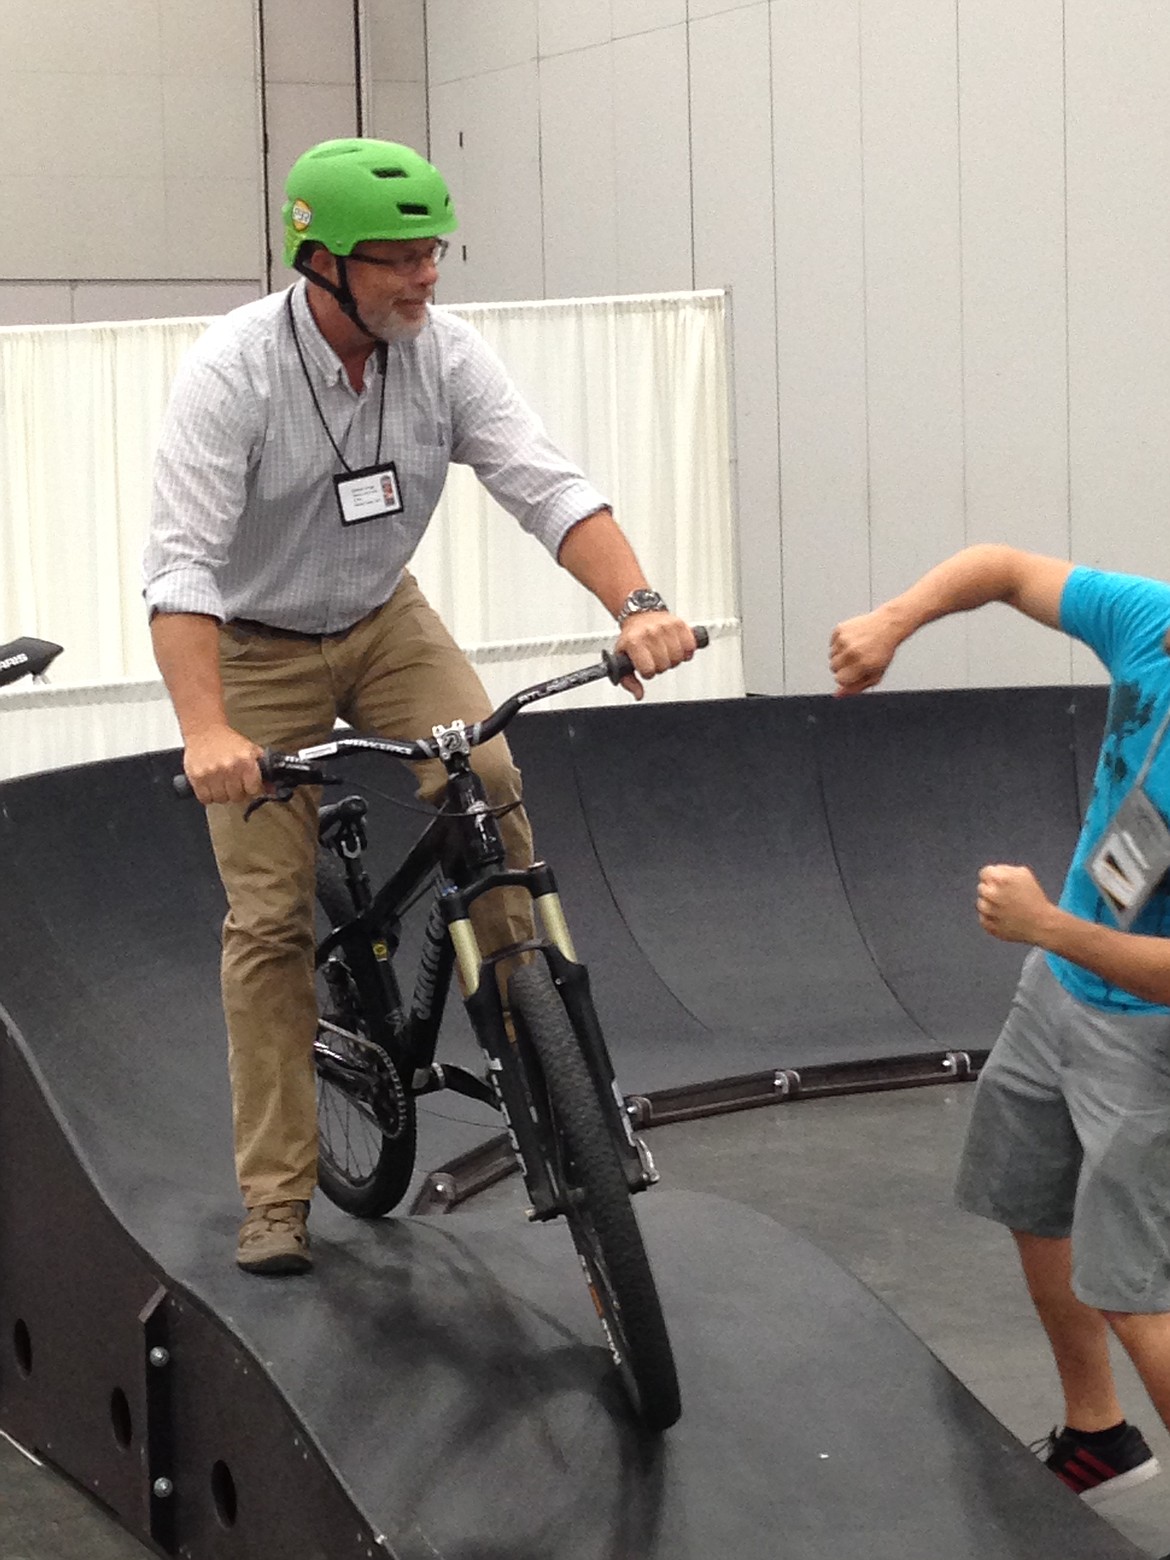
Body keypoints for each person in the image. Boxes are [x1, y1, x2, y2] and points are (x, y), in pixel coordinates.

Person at [144, 138, 695, 1277]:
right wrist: (209, 731)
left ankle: (536, 1040)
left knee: (485, 779)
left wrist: (639, 601)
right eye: (397, 261)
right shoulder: (233, 372)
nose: (424, 279)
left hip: (386, 618)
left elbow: (544, 483)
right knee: (269, 919)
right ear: (322, 263)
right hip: (255, 648)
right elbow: (183, 569)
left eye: (432, 255)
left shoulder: (444, 355)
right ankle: (277, 1192)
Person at [831, 544, 1170, 1538]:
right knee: (1034, 1196)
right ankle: (1098, 1437)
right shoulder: (1149, 621)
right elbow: (1003, 567)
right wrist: (895, 622)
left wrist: (1050, 927)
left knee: (1136, 1292)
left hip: (1149, 1039)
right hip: (1058, 991)